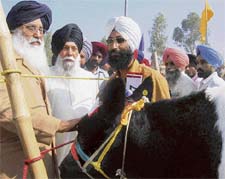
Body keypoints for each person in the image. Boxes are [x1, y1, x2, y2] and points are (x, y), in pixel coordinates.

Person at [0, 1, 79, 178]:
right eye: (31, 28)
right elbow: (6, 111)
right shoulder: (4, 65)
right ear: (13, 30)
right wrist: (60, 125)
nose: (38, 35)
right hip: (15, 169)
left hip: (42, 166)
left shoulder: (34, 67)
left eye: (41, 30)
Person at [47, 23, 98, 165]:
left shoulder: (90, 79)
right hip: (51, 145)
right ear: (58, 51)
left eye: (74, 49)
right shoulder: (45, 76)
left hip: (81, 148)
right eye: (65, 48)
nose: (70, 53)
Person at [105, 16, 170, 102]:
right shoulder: (111, 82)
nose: (114, 46)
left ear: (132, 44)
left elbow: (166, 114)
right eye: (110, 41)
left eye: (120, 40)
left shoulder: (153, 78)